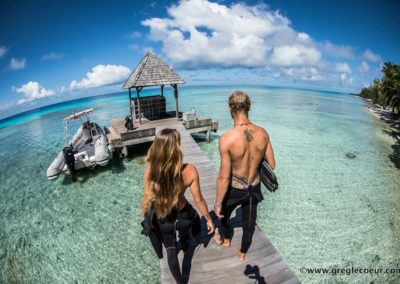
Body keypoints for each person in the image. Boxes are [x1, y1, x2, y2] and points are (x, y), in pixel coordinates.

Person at [141, 128, 215, 283]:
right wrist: (208, 219)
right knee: (193, 217)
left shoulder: (150, 171)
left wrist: (146, 219)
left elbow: (146, 200)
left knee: (171, 252)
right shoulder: (189, 170)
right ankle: (188, 245)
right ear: (176, 147)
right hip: (183, 216)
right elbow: (199, 200)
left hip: (163, 218)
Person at [214, 91, 276, 262]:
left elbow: (224, 178)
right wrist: (255, 154)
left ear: (230, 108)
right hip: (253, 186)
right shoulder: (263, 133)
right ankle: (242, 253)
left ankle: (226, 240)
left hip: (235, 188)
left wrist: (217, 203)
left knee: (223, 215)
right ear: (249, 107)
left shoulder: (226, 138)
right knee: (249, 224)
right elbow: (272, 163)